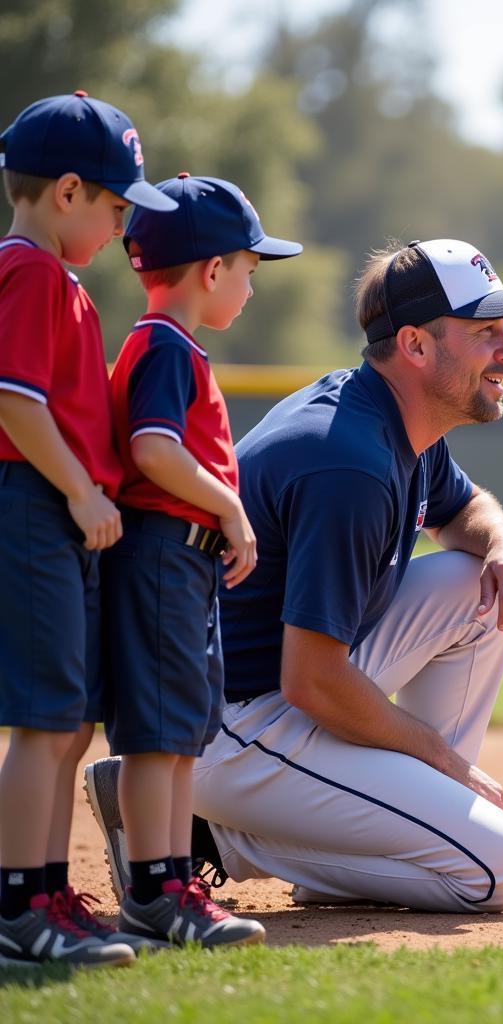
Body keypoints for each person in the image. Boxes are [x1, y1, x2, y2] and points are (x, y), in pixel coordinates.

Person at [87, 238, 503, 915]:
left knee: (476, 583)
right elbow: (310, 679)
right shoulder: (350, 463)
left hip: (279, 689)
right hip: (226, 724)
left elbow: (467, 509)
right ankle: (208, 835)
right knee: (497, 871)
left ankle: (400, 840)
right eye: (486, 331)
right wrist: (444, 763)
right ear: (417, 345)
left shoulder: (394, 416)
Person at [83, 174, 302, 949]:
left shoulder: (170, 344)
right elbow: (153, 448)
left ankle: (170, 882)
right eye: (247, 269)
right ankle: (155, 891)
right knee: (156, 736)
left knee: (179, 732)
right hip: (159, 561)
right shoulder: (164, 345)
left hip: (181, 564)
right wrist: (231, 508)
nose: (248, 286)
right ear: (212, 270)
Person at [0, 91, 177, 969]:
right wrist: (79, 491)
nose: (119, 227)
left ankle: (42, 889)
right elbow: (14, 402)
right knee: (42, 721)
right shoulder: (30, 270)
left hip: (52, 508)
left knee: (63, 721)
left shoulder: (53, 275)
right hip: (36, 504)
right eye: (115, 207)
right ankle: (16, 906)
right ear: (66, 190)